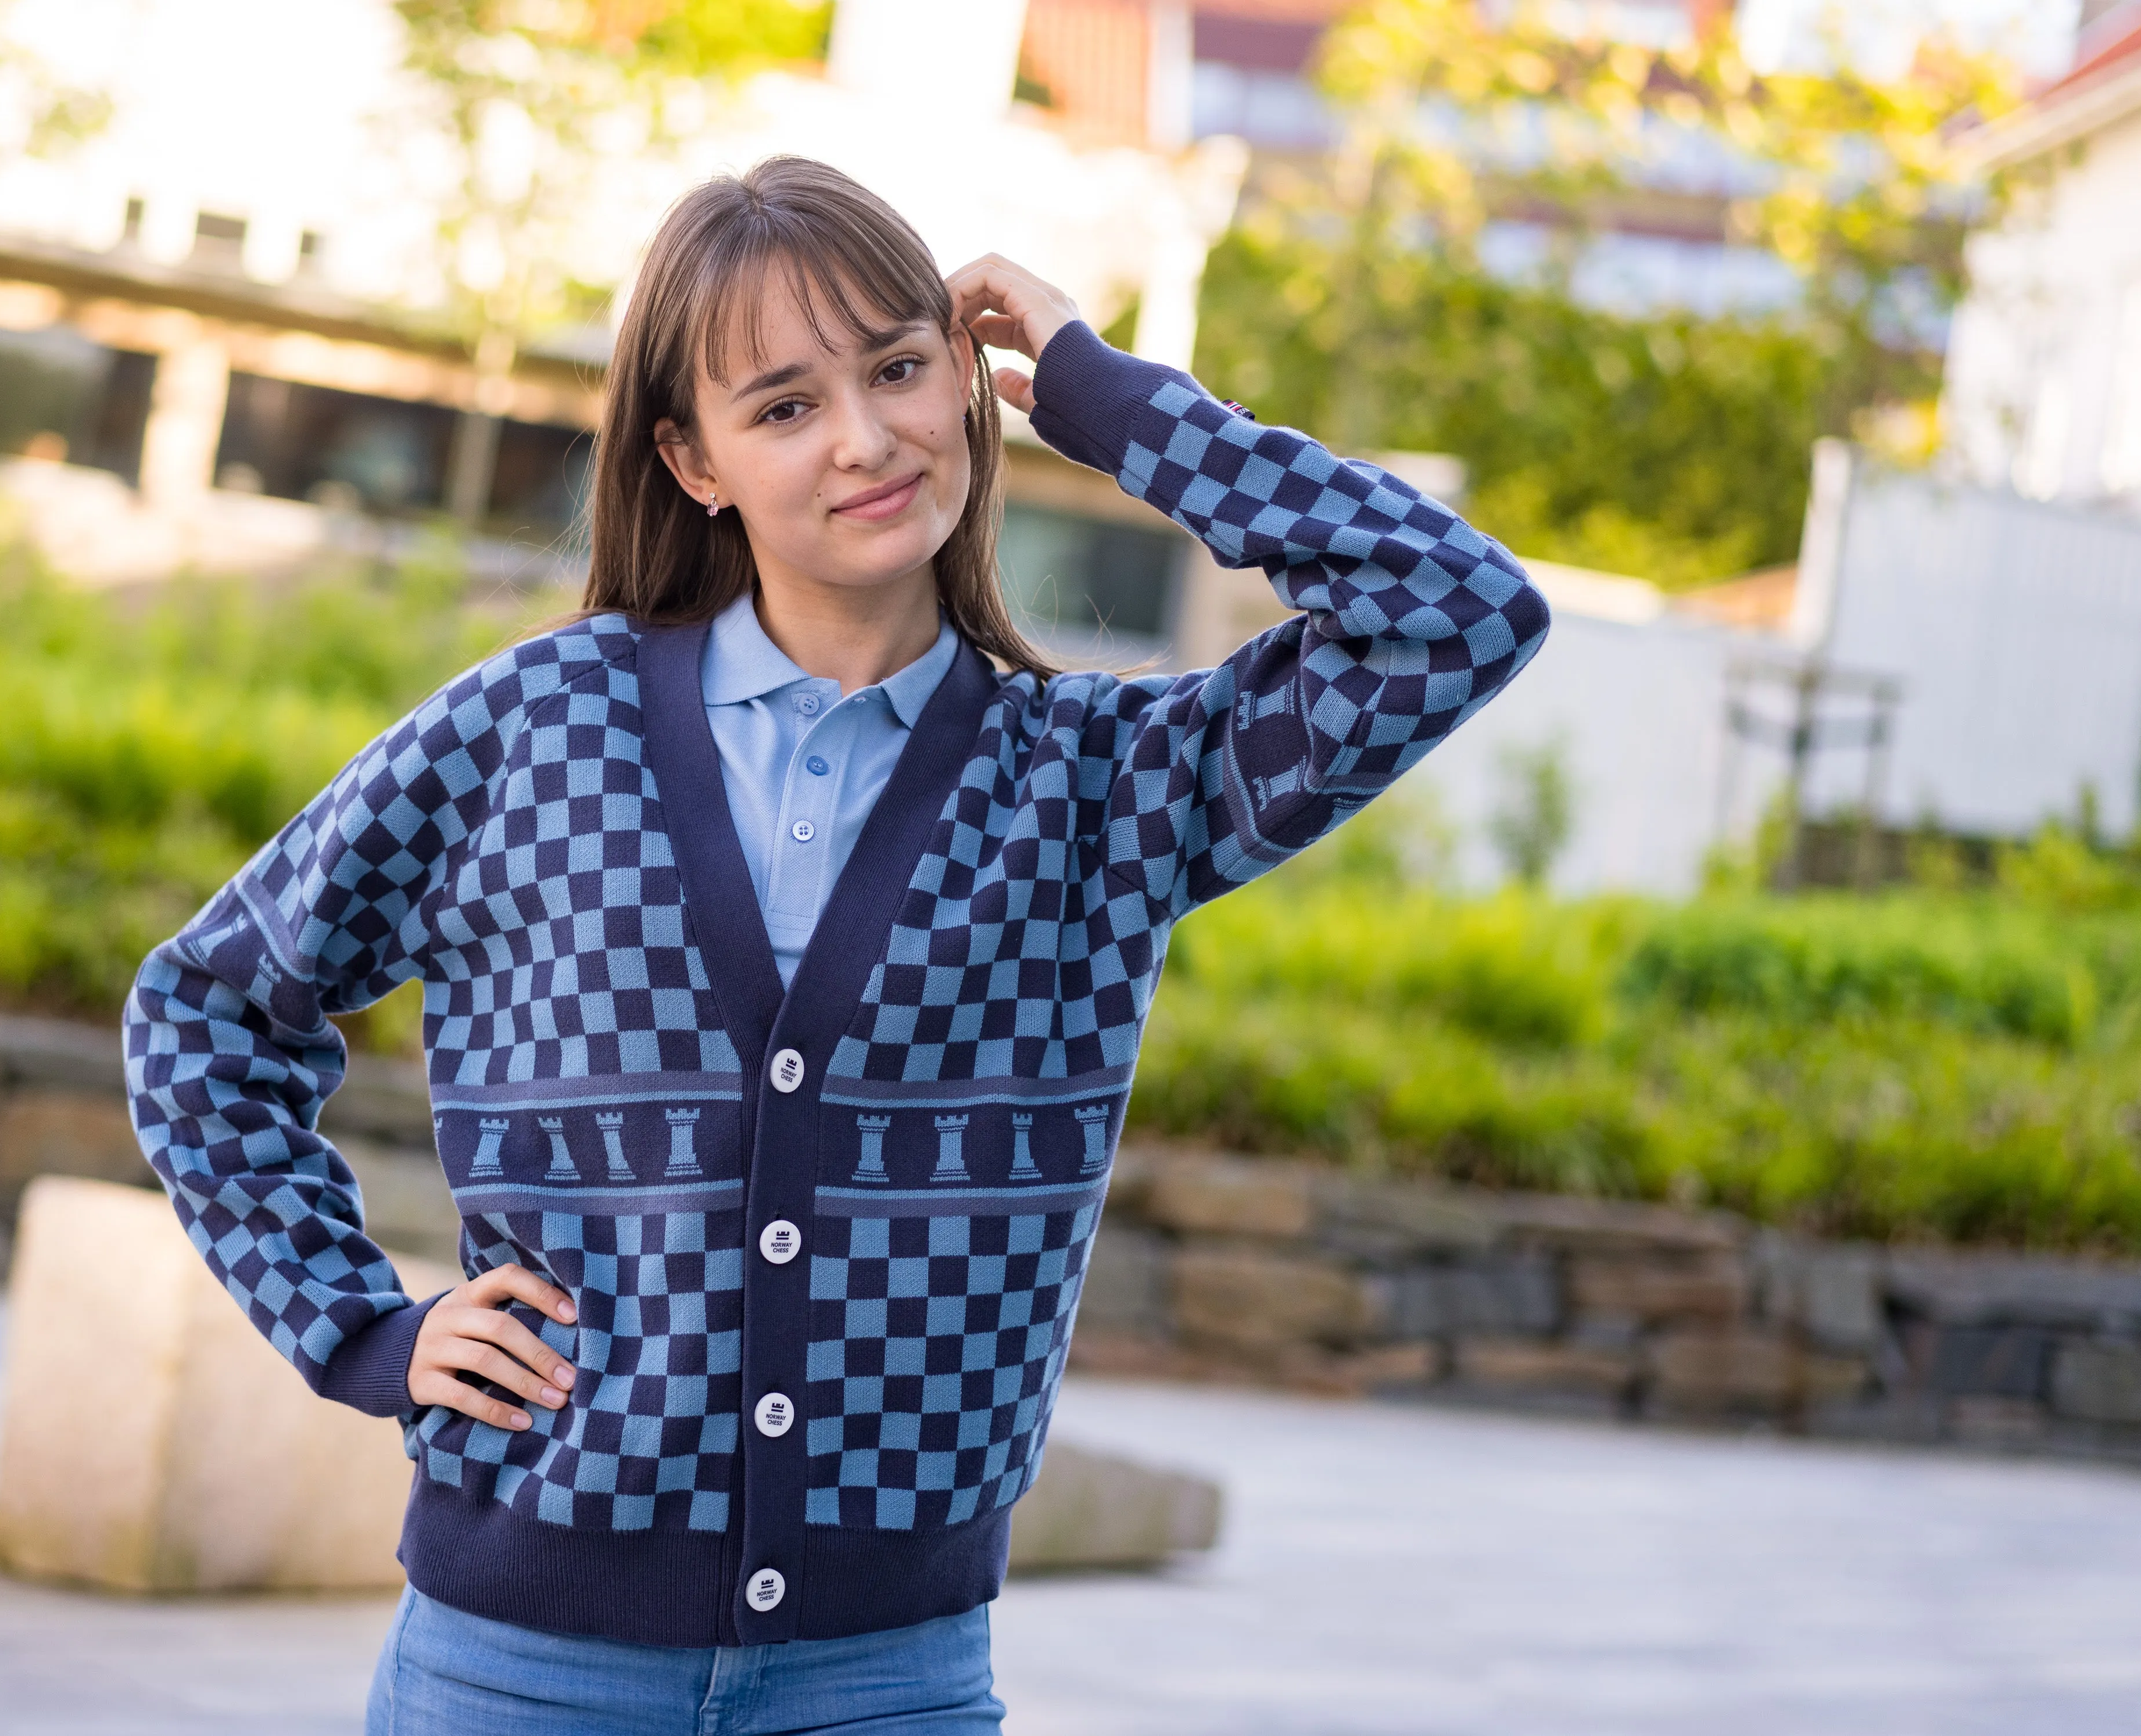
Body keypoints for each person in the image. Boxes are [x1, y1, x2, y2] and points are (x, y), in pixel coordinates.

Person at [124, 156, 1549, 1735]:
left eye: (896, 368)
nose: (866, 441)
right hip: (519, 1662)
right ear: (693, 459)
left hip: (889, 1682)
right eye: (785, 405)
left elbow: (1459, 613)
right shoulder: (529, 735)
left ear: (965, 383)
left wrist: (1106, 395)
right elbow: (202, 1012)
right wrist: (359, 1329)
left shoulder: (1099, 790)